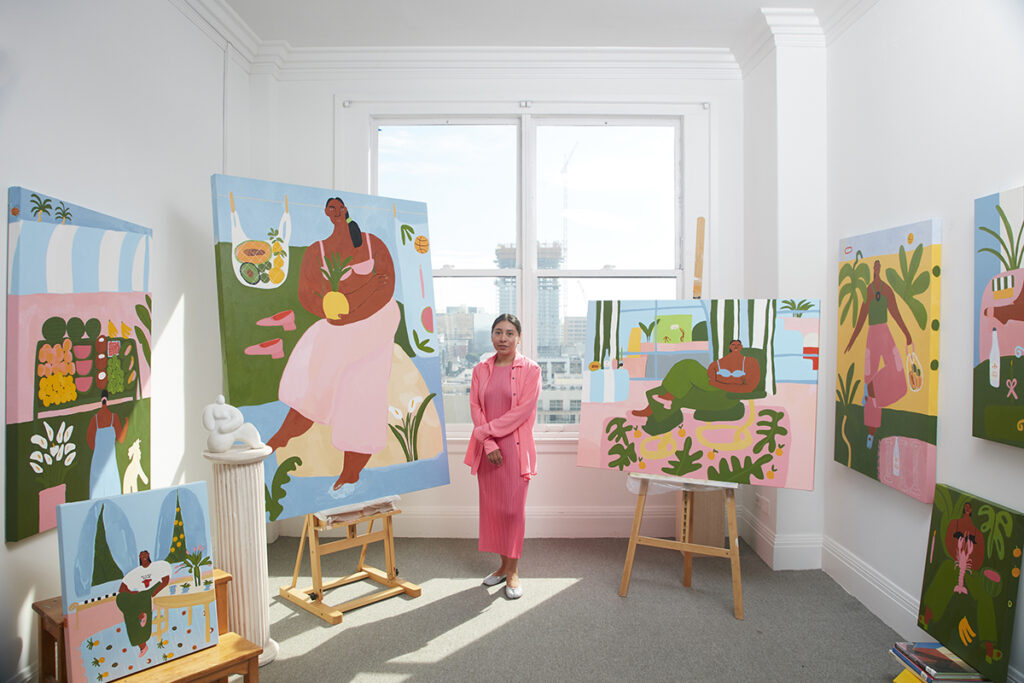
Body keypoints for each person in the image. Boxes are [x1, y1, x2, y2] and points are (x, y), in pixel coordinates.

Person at [266, 197, 399, 490]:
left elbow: (386, 285)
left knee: (362, 391)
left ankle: (352, 470)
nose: (337, 211)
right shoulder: (317, 252)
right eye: (331, 207)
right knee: (314, 373)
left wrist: (354, 308)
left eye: (340, 206)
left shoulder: (371, 242)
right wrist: (338, 307)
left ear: (348, 210)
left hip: (375, 322)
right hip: (337, 324)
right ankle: (286, 432)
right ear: (326, 213)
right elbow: (308, 295)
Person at [464, 314, 541, 600]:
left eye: (510, 333)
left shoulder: (531, 369)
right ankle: (501, 566)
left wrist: (488, 434)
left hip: (515, 448)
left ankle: (513, 571)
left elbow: (522, 411)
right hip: (489, 451)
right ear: (492, 336)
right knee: (495, 511)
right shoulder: (480, 369)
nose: (503, 338)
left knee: (512, 512)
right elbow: (475, 406)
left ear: (519, 337)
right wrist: (488, 443)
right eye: (498, 332)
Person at [844, 259, 913, 448]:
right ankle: (871, 432)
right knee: (868, 378)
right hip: (871, 336)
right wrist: (852, 339)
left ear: (879, 269)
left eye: (877, 267)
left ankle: (871, 389)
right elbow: (862, 315)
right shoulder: (868, 290)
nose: (875, 270)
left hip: (885, 333)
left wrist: (907, 333)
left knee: (897, 370)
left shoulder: (886, 290)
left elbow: (896, 313)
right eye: (873, 267)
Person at [115, 550, 171, 656]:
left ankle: (142, 645)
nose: (144, 557)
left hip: (148, 593)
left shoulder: (157, 567)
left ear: (149, 555)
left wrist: (154, 592)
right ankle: (140, 616)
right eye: (142, 555)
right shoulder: (136, 572)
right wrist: (131, 592)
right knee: (121, 599)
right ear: (139, 557)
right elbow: (122, 588)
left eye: (146, 555)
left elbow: (165, 580)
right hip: (137, 595)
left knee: (140, 602)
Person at [86, 390, 129, 498]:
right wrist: (127, 424)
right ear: (107, 400)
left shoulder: (94, 419)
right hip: (110, 462)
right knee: (112, 491)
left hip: (97, 461)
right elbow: (121, 439)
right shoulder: (114, 418)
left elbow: (90, 443)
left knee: (97, 492)